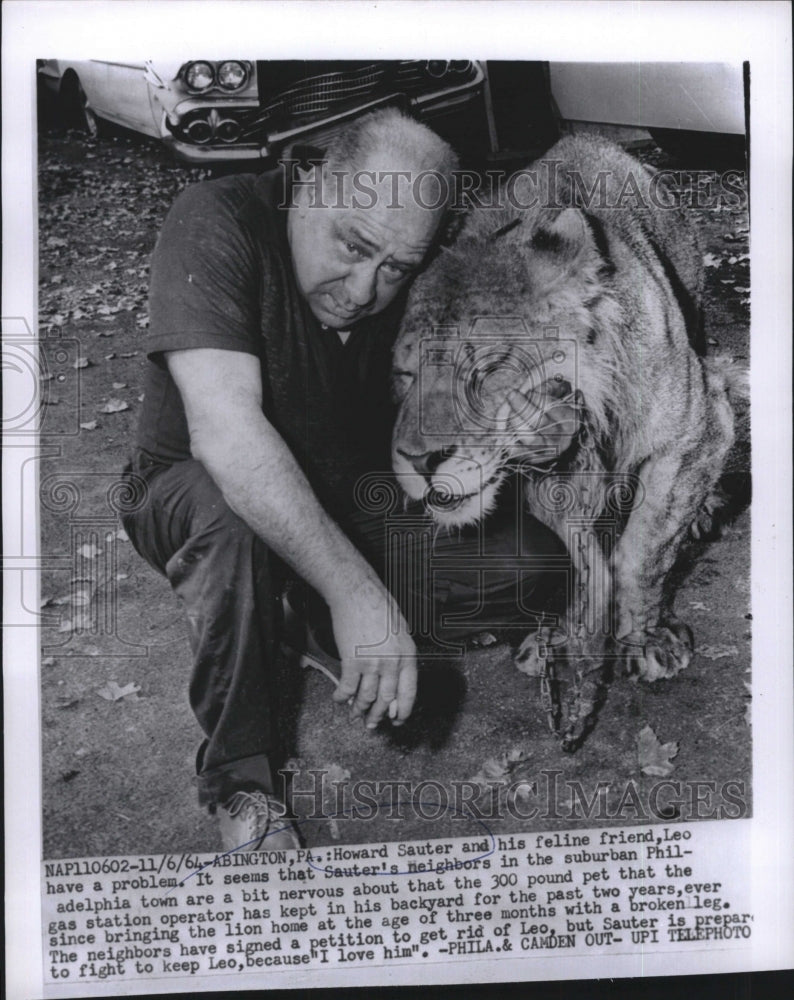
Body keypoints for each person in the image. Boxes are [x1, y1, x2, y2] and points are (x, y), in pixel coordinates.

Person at [122, 108, 563, 853]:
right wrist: (360, 590)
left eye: (396, 268)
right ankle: (241, 778)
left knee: (533, 569)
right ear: (311, 179)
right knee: (235, 526)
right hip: (193, 489)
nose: (363, 290)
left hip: (343, 488)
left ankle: (298, 616)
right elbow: (225, 433)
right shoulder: (215, 220)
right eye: (353, 246)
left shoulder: (407, 266)